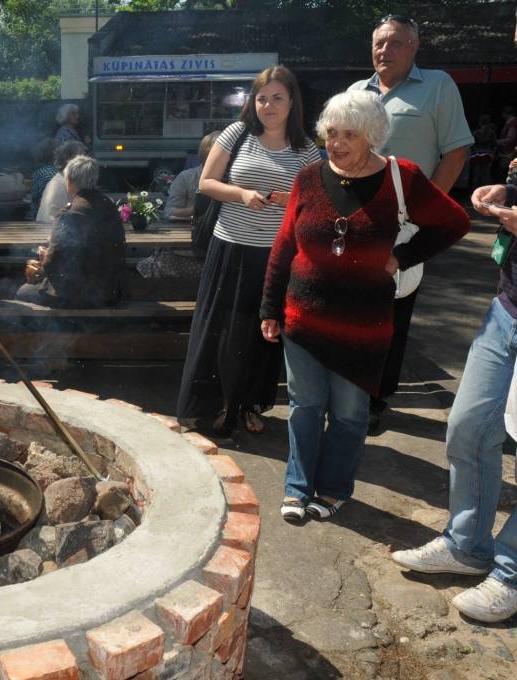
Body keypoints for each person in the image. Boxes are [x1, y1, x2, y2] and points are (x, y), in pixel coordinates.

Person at [259, 90, 469, 523]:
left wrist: (402, 256)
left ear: (372, 135)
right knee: (304, 407)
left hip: (364, 325)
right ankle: (297, 488)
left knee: (350, 414)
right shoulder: (309, 178)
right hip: (304, 318)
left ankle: (333, 490)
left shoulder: (401, 177)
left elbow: (454, 222)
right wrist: (269, 308)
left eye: (349, 135)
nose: (336, 143)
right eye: (331, 133)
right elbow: (284, 246)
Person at [390, 181, 517, 623]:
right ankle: (467, 546)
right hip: (508, 309)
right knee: (468, 427)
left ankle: (511, 573)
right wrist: (507, 192)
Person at [175, 65, 321, 436]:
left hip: (275, 257)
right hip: (230, 248)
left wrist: (294, 200)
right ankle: (221, 405)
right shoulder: (237, 133)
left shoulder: (306, 149)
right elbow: (206, 183)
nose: (268, 106)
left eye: (277, 98)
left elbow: (319, 202)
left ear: (292, 102)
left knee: (263, 334)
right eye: (261, 98)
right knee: (224, 332)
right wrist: (241, 194)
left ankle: (251, 404)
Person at [348, 14, 474, 434]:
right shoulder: (355, 92)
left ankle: (375, 399)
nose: (385, 50)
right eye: (379, 43)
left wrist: (426, 210)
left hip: (405, 224)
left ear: (415, 47)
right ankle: (348, 392)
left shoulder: (438, 86)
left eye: (396, 42)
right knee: (351, 310)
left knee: (393, 314)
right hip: (355, 221)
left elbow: (456, 151)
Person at [15, 155, 125, 308]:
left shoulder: (70, 213)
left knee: (22, 292)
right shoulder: (109, 205)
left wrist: (44, 256)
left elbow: (53, 263)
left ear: (70, 180)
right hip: (109, 292)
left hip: (76, 295)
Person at [163, 131, 221, 220]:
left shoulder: (233, 179)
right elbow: (169, 212)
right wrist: (196, 209)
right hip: (190, 226)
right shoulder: (186, 178)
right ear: (206, 154)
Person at [36, 141, 87, 224]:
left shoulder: (61, 177)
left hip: (44, 225)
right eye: (82, 157)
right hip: (52, 227)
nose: (86, 161)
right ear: (70, 160)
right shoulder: (68, 180)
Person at [27, 138, 59, 220]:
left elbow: (40, 198)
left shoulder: (41, 173)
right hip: (56, 216)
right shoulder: (60, 171)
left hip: (43, 217)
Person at [470, 113, 498, 189]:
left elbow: (472, 144)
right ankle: (485, 190)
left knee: (476, 174)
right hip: (488, 154)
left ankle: (475, 190)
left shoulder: (476, 132)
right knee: (486, 174)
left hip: (476, 154)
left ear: (480, 122)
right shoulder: (492, 132)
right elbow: (494, 144)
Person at [498, 106, 517, 182]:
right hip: (508, 151)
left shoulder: (512, 122)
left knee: (506, 173)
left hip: (509, 152)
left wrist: (497, 142)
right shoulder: (510, 122)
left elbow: (510, 138)